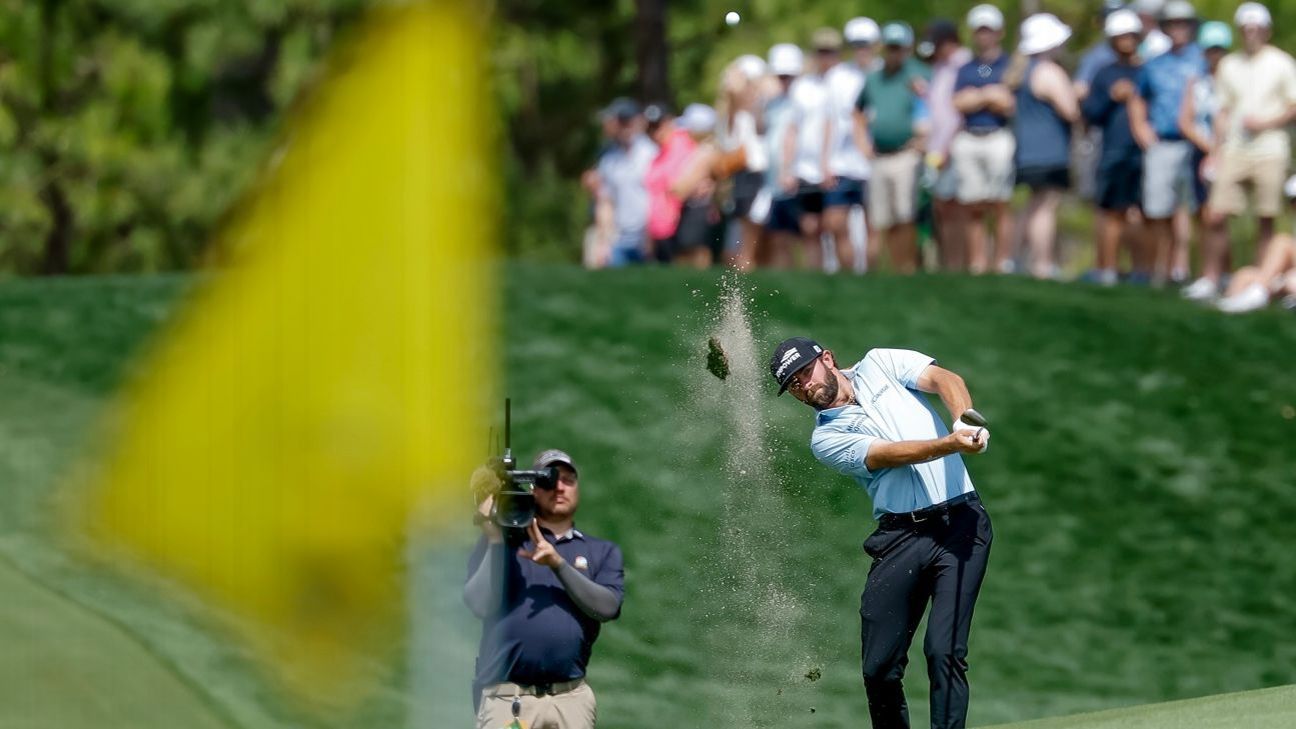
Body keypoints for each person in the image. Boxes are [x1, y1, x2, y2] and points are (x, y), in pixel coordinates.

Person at [768, 337, 993, 729]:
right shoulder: (825, 440)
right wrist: (950, 443)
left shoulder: (880, 363)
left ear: (827, 358)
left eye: (805, 372)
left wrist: (963, 420)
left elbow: (945, 379)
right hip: (900, 538)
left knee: (943, 651)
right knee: (879, 668)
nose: (803, 386)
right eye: (793, 385)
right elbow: (891, 453)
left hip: (961, 526)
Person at [466, 449, 625, 729]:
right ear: (533, 491)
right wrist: (494, 538)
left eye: (568, 479)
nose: (559, 487)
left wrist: (557, 563)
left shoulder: (601, 551)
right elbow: (479, 604)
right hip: (508, 700)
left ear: (578, 489)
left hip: (570, 699)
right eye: (549, 480)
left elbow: (608, 607)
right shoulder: (504, 544)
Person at [1203, 3, 1296, 277]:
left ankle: (1260, 279)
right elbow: (1222, 111)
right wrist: (1213, 152)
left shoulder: (1282, 62)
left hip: (1271, 149)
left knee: (1265, 218)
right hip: (1234, 148)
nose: (1251, 34)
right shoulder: (1229, 65)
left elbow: (1293, 106)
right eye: (1246, 29)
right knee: (1217, 213)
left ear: (1266, 32)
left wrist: (1264, 123)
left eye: (1256, 29)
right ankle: (1212, 278)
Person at [1128, 0, 1203, 285]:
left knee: (1189, 210)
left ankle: (1182, 271)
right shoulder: (1154, 64)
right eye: (1173, 23)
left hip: (1196, 145)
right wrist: (1141, 129)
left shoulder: (1201, 59)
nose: (1178, 29)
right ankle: (1158, 271)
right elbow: (1138, 98)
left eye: (1183, 23)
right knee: (1158, 210)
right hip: (1162, 143)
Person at [855, 22, 931, 274]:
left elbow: (933, 107)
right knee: (880, 218)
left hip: (906, 155)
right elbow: (857, 111)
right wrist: (863, 143)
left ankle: (905, 269)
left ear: (907, 48)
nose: (894, 52)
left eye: (899, 48)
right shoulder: (873, 78)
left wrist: (923, 141)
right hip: (879, 156)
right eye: (890, 47)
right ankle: (884, 271)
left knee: (905, 215)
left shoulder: (919, 74)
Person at [1010, 13, 1078, 280]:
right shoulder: (1049, 71)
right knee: (1045, 207)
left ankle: (1015, 260)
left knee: (1031, 205)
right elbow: (1070, 110)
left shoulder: (1021, 71)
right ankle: (1043, 264)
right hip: (1049, 151)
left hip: (1027, 151)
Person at [1081, 9, 1146, 286]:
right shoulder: (1104, 74)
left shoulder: (1147, 70)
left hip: (1143, 150)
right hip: (1112, 149)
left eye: (1130, 35)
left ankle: (1142, 271)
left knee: (1142, 212)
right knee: (1110, 211)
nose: (1126, 41)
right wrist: (1111, 96)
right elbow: (1091, 113)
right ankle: (1107, 269)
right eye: (1120, 36)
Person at [952, 5, 1016, 274]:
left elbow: (1007, 102)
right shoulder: (966, 67)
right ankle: (977, 262)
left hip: (998, 136)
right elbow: (958, 102)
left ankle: (1002, 261)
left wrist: (978, 97)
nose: (984, 36)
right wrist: (988, 95)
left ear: (999, 33)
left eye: (988, 30)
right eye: (979, 30)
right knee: (972, 204)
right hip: (969, 138)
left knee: (999, 203)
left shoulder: (1009, 64)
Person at [1179, 21, 1234, 300]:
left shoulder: (1235, 79)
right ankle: (1209, 275)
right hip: (1202, 152)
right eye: (1211, 49)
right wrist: (1209, 149)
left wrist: (1218, 152)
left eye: (1219, 50)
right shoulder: (1196, 80)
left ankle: (1222, 275)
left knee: (1218, 215)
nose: (1215, 55)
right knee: (1203, 214)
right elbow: (1186, 121)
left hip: (1229, 151)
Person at [822, 17, 881, 275]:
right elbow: (830, 120)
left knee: (874, 224)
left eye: (866, 44)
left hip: (874, 160)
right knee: (835, 222)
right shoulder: (837, 76)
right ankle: (848, 276)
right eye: (857, 44)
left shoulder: (882, 73)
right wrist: (825, 161)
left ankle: (869, 276)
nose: (861, 50)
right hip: (843, 161)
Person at [782, 28, 842, 270]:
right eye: (821, 52)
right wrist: (787, 168)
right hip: (806, 168)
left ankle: (842, 275)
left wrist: (828, 162)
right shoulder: (803, 87)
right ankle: (816, 277)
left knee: (836, 224)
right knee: (809, 228)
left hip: (840, 166)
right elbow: (792, 129)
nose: (825, 57)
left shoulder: (846, 82)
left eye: (830, 52)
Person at [923, 20, 974, 271]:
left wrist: (947, 147)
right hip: (937, 147)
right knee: (943, 208)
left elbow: (958, 112)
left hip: (955, 145)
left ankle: (961, 264)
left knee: (961, 209)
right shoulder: (940, 68)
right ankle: (950, 265)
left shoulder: (964, 63)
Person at [718, 55, 770, 272]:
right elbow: (728, 135)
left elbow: (760, 125)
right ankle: (743, 266)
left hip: (758, 172)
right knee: (741, 223)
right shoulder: (733, 110)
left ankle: (748, 264)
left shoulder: (762, 105)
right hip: (742, 172)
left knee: (753, 223)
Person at [595, 99, 657, 267]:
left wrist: (651, 236)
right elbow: (606, 202)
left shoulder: (651, 154)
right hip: (619, 240)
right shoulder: (609, 159)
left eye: (625, 121)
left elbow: (658, 197)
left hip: (647, 239)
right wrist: (603, 242)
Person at [763, 43, 806, 269]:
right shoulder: (771, 102)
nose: (784, 81)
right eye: (780, 76)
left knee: (800, 237)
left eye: (788, 76)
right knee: (778, 237)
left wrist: (790, 170)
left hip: (796, 179)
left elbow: (797, 138)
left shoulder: (804, 101)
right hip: (773, 181)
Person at [643, 104, 693, 264]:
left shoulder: (684, 145)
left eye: (659, 126)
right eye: (651, 128)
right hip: (660, 232)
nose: (655, 132)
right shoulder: (657, 156)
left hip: (683, 225)